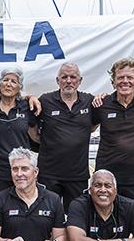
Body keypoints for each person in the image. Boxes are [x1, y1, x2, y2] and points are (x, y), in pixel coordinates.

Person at [92, 58, 134, 200]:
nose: (125, 81)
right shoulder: (102, 104)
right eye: (120, 77)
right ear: (113, 82)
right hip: (106, 179)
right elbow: (90, 129)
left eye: (130, 77)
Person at [36, 62, 95, 212]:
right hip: (49, 174)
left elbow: (93, 126)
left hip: (78, 175)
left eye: (73, 77)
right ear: (58, 81)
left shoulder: (89, 102)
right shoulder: (45, 100)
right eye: (64, 77)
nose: (68, 81)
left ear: (80, 81)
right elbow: (32, 128)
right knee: (47, 215)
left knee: (76, 217)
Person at [0, 67, 38, 192]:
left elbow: (35, 136)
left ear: (20, 87)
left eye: (14, 81)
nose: (8, 84)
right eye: (5, 80)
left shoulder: (27, 107)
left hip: (22, 170)